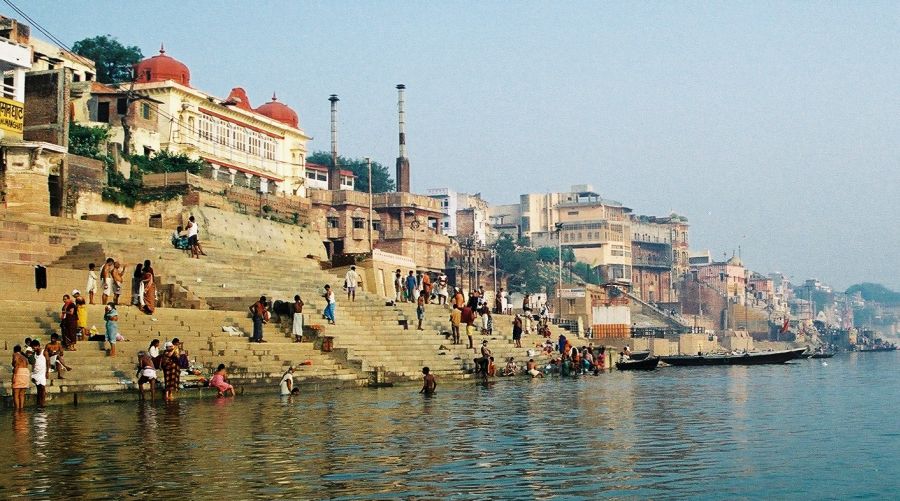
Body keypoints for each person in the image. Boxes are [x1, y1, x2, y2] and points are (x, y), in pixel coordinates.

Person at [30, 339, 48, 407]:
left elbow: (48, 361)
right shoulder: (34, 353)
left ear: (38, 346)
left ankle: (42, 403)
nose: (33, 349)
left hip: (42, 372)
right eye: (32, 347)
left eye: (34, 347)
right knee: (38, 388)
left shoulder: (44, 352)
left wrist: (47, 372)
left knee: (42, 388)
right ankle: (39, 403)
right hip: (36, 372)